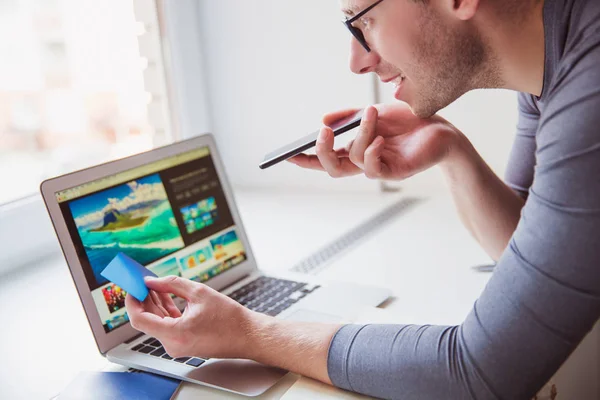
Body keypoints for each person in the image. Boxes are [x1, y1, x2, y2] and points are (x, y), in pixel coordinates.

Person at [125, 0, 600, 398]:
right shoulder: (552, 65)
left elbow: (482, 371)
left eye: (363, 20)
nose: (358, 60)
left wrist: (250, 333)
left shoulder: (589, 92)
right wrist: (449, 149)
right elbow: (533, 251)